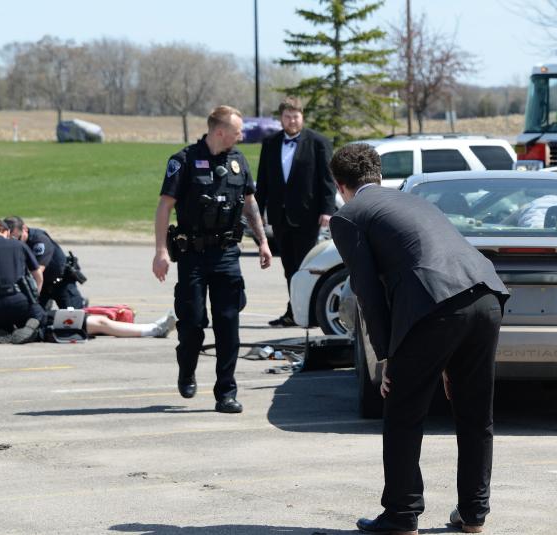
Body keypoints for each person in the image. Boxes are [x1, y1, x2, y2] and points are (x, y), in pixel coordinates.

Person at [328, 144, 509, 534]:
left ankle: (401, 512)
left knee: (403, 409)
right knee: (476, 412)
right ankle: (474, 513)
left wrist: (388, 355)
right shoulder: (414, 201)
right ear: (378, 174)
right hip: (486, 295)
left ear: (340, 184)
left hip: (436, 307)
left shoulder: (349, 216)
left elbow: (367, 293)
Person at [152, 105, 273, 414]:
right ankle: (187, 367)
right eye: (237, 131)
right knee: (192, 323)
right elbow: (165, 206)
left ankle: (226, 392)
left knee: (228, 324)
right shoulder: (183, 161)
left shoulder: (238, 160)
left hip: (227, 255)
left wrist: (262, 242)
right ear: (220, 131)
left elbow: (249, 203)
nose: (242, 135)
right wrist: (161, 251)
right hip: (193, 254)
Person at [255, 96, 337, 327]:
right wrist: (257, 212)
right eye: (287, 116)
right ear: (281, 118)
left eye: (296, 116)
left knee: (305, 266)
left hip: (307, 216)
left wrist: (327, 210)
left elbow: (327, 181)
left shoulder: (318, 142)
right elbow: (263, 181)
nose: (291, 120)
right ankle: (293, 312)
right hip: (280, 217)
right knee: (288, 267)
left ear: (302, 117)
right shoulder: (270, 143)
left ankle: (307, 313)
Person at [0, 307, 176, 341]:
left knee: (100, 321)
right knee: (100, 323)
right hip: (47, 328)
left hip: (46, 318)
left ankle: (153, 328)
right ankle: (154, 329)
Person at [3, 216, 86, 310]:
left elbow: (37, 272)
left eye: (16, 239)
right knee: (34, 319)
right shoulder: (9, 245)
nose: (12, 244)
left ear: (25, 229)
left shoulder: (39, 241)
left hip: (60, 283)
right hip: (43, 285)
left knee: (73, 317)